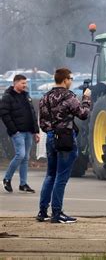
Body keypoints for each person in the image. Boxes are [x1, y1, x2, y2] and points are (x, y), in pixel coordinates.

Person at [36, 68, 91, 223]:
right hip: (66, 138)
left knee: (50, 175)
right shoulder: (69, 96)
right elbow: (83, 114)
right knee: (61, 177)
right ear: (65, 79)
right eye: (71, 78)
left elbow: (43, 122)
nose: (71, 81)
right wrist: (86, 99)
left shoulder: (45, 97)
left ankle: (42, 212)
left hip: (51, 137)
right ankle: (57, 213)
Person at [1, 74, 40, 193]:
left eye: (25, 83)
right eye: (23, 83)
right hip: (17, 132)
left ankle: (23, 184)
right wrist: (14, 130)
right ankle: (7, 179)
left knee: (25, 158)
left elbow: (32, 113)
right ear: (15, 83)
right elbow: (4, 114)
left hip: (28, 131)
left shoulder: (26, 96)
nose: (25, 85)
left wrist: (36, 131)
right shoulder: (7, 97)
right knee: (20, 155)